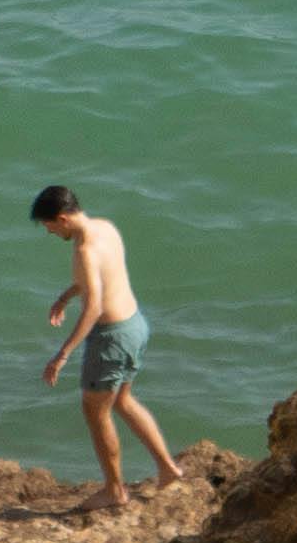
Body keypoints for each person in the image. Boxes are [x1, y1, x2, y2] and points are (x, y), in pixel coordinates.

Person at [29, 180, 184, 501]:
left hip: (111, 336)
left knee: (95, 411)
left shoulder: (84, 249)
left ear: (62, 219)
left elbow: (95, 306)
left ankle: (114, 491)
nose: (50, 233)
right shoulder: (105, 228)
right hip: (135, 325)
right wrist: (67, 295)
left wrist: (62, 354)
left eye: (49, 227)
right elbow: (103, 276)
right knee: (124, 401)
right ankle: (168, 470)